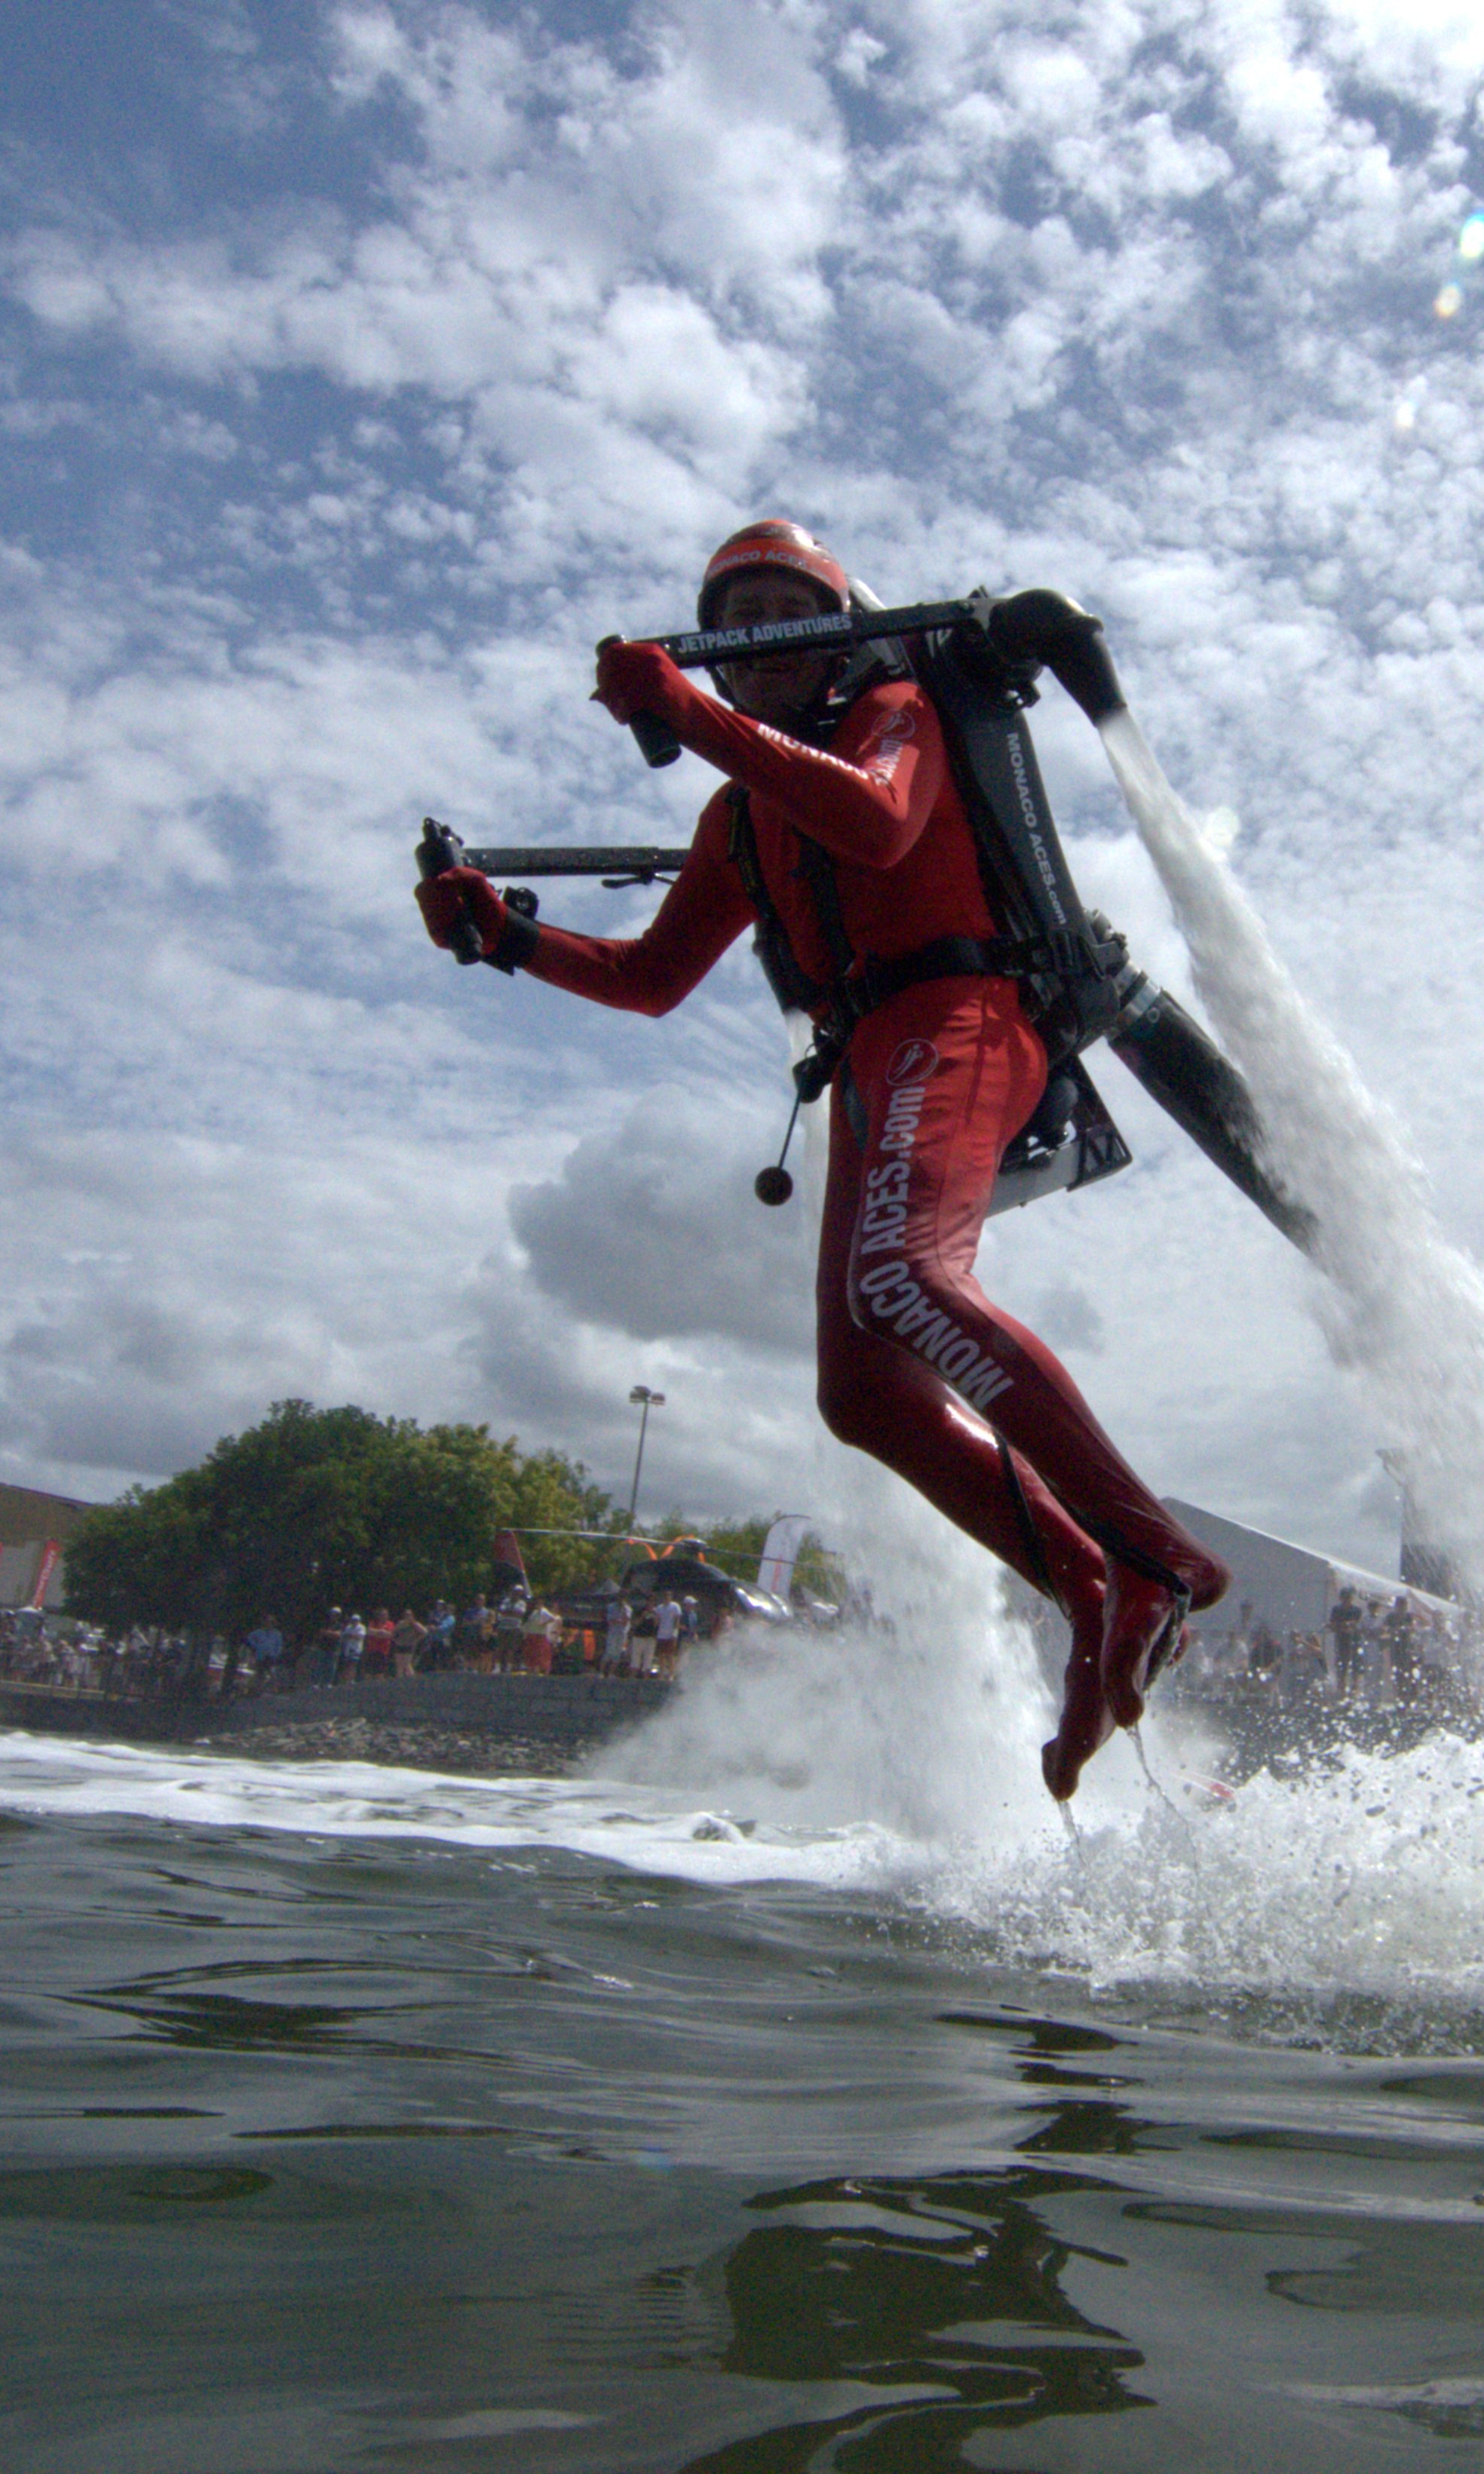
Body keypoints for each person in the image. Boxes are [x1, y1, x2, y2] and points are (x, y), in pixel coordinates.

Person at [417, 519, 1228, 1799]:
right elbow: (650, 978)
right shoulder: (740, 816)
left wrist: (685, 709)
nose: (753, 641)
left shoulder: (892, 710)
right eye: (727, 621)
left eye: (779, 610)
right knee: (861, 1394)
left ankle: (1158, 1560)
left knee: (904, 1278)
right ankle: (1084, 1582)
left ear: (835, 626)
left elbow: (878, 825)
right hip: (866, 1068)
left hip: (966, 1016)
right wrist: (506, 939)